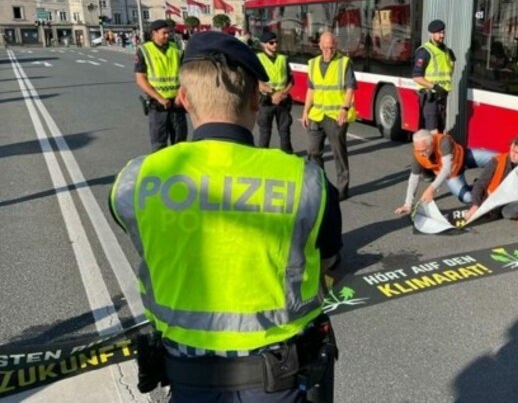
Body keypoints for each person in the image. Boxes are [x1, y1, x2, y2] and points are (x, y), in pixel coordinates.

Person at [110, 31, 342, 403]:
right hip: (279, 381)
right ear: (255, 97)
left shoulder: (135, 181)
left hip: (185, 379)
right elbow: (330, 260)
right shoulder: (305, 180)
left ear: (184, 99)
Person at [301, 31, 357, 200]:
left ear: (336, 45)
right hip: (317, 114)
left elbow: (350, 87)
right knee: (313, 151)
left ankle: (342, 188)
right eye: (325, 48)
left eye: (331, 48)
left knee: (338, 152)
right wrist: (305, 111)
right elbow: (311, 89)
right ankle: (320, 184)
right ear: (319, 46)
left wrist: (344, 108)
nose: (328, 51)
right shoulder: (313, 63)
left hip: (335, 115)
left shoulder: (344, 63)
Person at [394, 129, 495, 215]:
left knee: (496, 158)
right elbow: (413, 179)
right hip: (453, 175)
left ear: (431, 144)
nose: (421, 154)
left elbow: (446, 168)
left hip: (465, 157)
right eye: (417, 150)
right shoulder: (418, 154)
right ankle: (479, 187)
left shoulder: (444, 141)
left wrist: (431, 189)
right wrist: (408, 204)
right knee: (468, 198)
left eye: (423, 150)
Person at [135, 19, 187, 151]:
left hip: (177, 104)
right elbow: (140, 79)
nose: (167, 36)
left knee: (180, 144)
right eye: (164, 33)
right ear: (154, 33)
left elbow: (185, 75)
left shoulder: (177, 49)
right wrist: (159, 98)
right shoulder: (144, 50)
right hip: (158, 106)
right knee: (159, 146)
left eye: (168, 33)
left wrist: (179, 97)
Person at [255, 31, 295, 153]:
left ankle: (287, 157)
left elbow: (291, 80)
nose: (275, 45)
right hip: (266, 100)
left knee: (285, 131)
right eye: (271, 43)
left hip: (282, 100)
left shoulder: (283, 59)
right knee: (265, 133)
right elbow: (257, 81)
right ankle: (263, 158)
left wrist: (283, 93)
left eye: (276, 42)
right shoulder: (258, 59)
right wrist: (273, 93)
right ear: (264, 45)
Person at [412, 20, 456, 133]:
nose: (442, 35)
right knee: (433, 133)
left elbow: (449, 71)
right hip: (430, 99)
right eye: (439, 33)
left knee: (440, 131)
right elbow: (417, 76)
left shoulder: (447, 51)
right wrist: (435, 87)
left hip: (442, 97)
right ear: (432, 34)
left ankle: (435, 151)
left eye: (443, 32)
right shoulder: (424, 52)